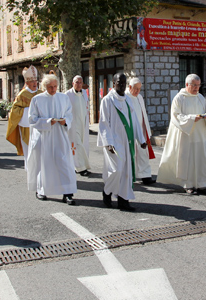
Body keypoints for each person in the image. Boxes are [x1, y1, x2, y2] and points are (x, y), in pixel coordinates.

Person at [157, 74, 206, 195]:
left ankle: (203, 184)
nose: (196, 88)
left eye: (198, 85)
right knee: (187, 160)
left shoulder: (200, 98)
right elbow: (176, 116)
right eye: (194, 85)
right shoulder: (179, 98)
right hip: (186, 136)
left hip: (200, 136)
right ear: (186, 85)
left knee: (202, 159)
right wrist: (191, 118)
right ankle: (188, 184)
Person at [97, 73, 147, 211]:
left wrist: (141, 139)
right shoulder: (107, 100)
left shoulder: (127, 100)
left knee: (126, 172)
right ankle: (107, 192)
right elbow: (103, 123)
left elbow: (134, 121)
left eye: (124, 83)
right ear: (113, 84)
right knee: (116, 170)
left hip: (127, 141)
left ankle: (123, 201)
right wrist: (108, 142)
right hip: (114, 142)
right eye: (119, 83)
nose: (122, 85)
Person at [26, 74, 77, 204]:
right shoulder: (37, 99)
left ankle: (68, 193)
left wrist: (65, 121)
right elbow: (32, 119)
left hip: (60, 135)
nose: (53, 89)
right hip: (44, 137)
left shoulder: (63, 98)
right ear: (44, 87)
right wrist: (48, 122)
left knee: (64, 162)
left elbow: (69, 114)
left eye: (55, 86)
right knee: (44, 163)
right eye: (50, 87)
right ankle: (41, 190)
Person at [6, 66, 42, 162]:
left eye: (36, 81)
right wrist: (29, 111)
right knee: (29, 152)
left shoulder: (41, 93)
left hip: (40, 126)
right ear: (26, 83)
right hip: (27, 127)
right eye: (32, 81)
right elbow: (15, 110)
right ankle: (30, 172)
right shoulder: (22, 95)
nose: (35, 83)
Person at [126, 77, 155, 185]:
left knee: (143, 153)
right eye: (135, 88)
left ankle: (145, 176)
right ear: (129, 87)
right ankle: (128, 176)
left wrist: (146, 129)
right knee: (130, 154)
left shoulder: (139, 97)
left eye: (139, 89)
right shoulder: (125, 97)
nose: (138, 91)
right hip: (130, 130)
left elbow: (143, 114)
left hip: (141, 130)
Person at [65, 75, 91, 176]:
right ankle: (81, 168)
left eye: (81, 82)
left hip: (83, 124)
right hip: (73, 125)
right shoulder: (67, 95)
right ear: (73, 83)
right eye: (77, 82)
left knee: (83, 144)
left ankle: (78, 165)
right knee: (77, 145)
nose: (79, 84)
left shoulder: (84, 93)